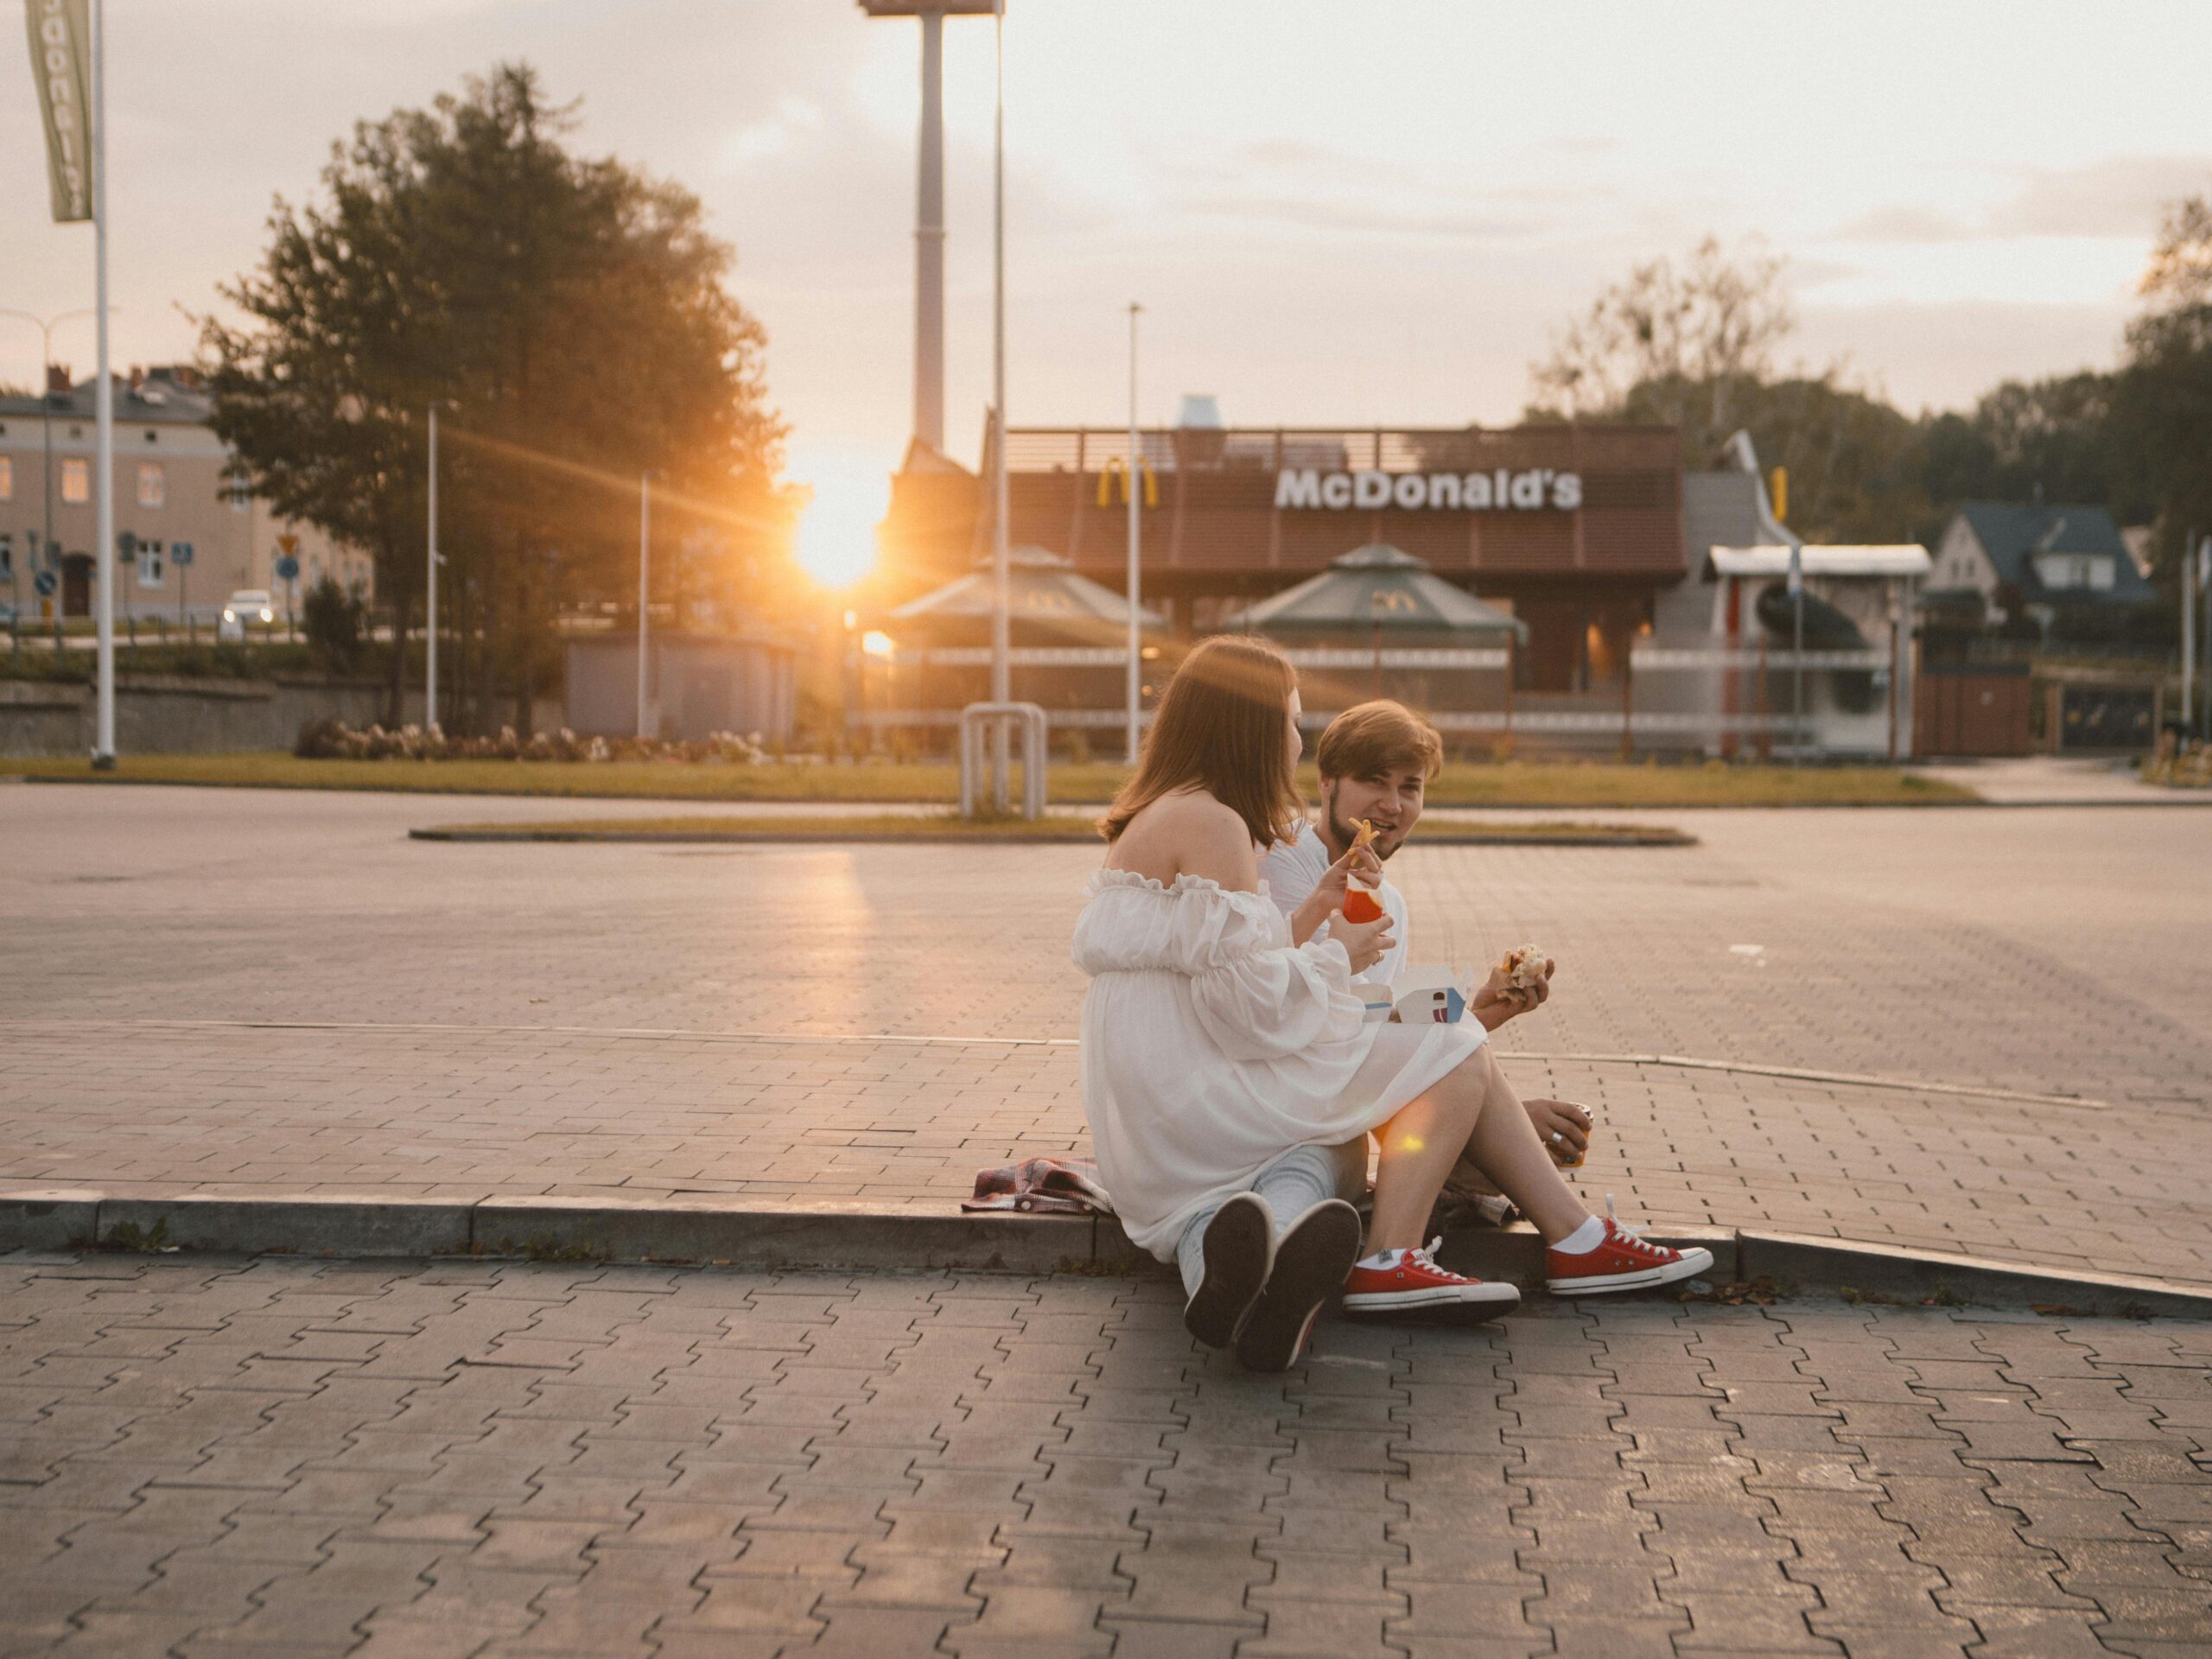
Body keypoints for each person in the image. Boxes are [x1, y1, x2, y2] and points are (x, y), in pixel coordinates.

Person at [1071, 636, 1711, 1374]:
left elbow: (1245, 971)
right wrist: (1343, 949)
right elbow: (1251, 1008)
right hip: (1203, 1087)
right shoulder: (1233, 831)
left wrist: (1465, 1005)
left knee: (1405, 1074)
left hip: (1157, 1114)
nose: (1293, 735)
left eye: (1413, 786)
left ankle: (1253, 1287)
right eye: (1288, 717)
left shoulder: (1171, 815)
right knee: (1446, 1046)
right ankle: (1443, 1254)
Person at [1260, 699, 1597, 1179]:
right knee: (1505, 1152)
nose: (1392, 805)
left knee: (1508, 1155)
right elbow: (1315, 1033)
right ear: (1327, 781)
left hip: (1341, 1097)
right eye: (1375, 781)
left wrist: (1484, 1011)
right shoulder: (1284, 858)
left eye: (1410, 787)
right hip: (1282, 1101)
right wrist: (1497, 1118)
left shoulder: (1391, 904)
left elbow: (1376, 1027)